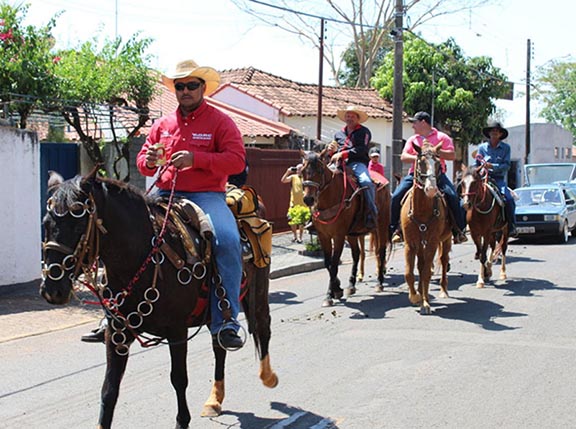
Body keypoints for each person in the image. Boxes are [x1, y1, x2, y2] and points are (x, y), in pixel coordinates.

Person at [82, 59, 246, 350]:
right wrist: (149, 160)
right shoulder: (162, 125)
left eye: (191, 86)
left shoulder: (221, 122)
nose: (185, 91)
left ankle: (227, 320)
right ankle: (112, 315)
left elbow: (236, 162)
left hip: (206, 195)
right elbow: (144, 162)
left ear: (202, 88)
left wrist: (197, 159)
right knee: (116, 235)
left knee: (229, 240)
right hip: (163, 192)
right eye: (179, 86)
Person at [389, 111, 467, 244]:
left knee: (453, 196)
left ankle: (459, 230)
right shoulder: (413, 139)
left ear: (423, 122)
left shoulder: (442, 137)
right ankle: (395, 229)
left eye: (415, 122)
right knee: (396, 196)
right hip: (415, 175)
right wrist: (422, 157)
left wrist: (435, 152)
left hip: (437, 175)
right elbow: (403, 157)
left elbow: (452, 155)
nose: (413, 126)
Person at [327, 105, 377, 229]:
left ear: (358, 118)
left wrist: (343, 153)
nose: (349, 118)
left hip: (356, 163)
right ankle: (316, 215)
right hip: (338, 164)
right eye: (348, 116)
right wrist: (331, 151)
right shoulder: (338, 134)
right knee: (321, 179)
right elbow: (335, 151)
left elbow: (362, 149)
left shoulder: (364, 132)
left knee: (366, 182)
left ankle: (371, 212)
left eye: (352, 116)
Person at [476, 121, 518, 237]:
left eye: (497, 131)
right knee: (467, 197)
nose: (494, 133)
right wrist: (480, 169)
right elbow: (476, 164)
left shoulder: (506, 148)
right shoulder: (482, 148)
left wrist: (493, 166)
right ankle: (463, 226)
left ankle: (511, 225)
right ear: (489, 133)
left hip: (498, 179)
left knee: (508, 199)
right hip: (483, 178)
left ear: (500, 134)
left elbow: (507, 165)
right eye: (492, 131)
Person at [281, 164, 309, 243]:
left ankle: (300, 237)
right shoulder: (293, 177)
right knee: (292, 220)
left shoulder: (305, 177)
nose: (298, 171)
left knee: (301, 222)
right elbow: (283, 180)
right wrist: (287, 172)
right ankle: (294, 236)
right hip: (293, 203)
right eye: (297, 169)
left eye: (300, 169)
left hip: (303, 203)